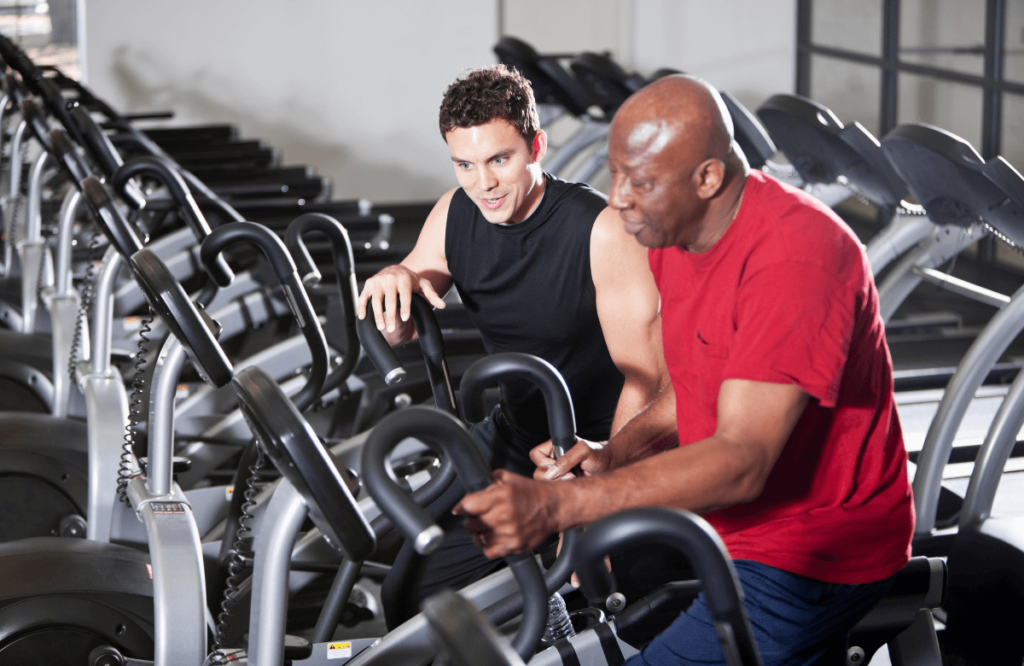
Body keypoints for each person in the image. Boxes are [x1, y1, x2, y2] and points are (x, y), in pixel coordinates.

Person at [453, 74, 915, 665]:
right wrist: (617, 450)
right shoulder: (674, 236)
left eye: (640, 181)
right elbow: (699, 381)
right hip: (727, 530)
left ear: (707, 178)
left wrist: (560, 506)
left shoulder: (796, 259)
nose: (618, 198)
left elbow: (742, 462)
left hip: (809, 556)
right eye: (615, 173)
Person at [355, 65, 670, 626]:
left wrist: (599, 485)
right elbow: (402, 318)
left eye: (500, 159)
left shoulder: (601, 230)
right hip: (516, 435)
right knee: (411, 598)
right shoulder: (455, 212)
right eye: (465, 165)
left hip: (604, 448)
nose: (485, 184)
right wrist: (393, 281)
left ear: (536, 147)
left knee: (612, 613)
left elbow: (649, 378)